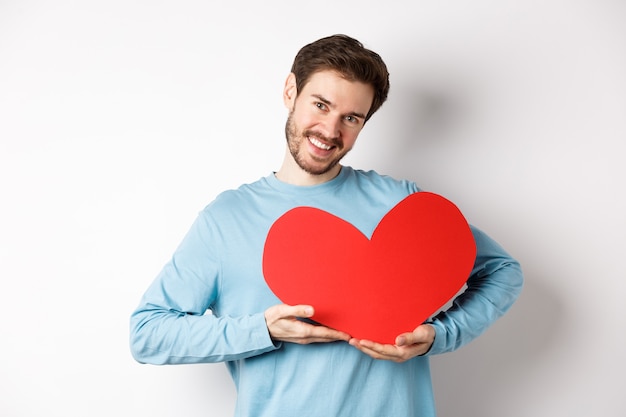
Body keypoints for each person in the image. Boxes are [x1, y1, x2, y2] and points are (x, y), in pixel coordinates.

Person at [130, 34, 523, 416]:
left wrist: (441, 335)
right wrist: (263, 330)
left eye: (350, 118)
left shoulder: (400, 205)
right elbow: (148, 333)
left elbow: (502, 271)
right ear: (290, 92)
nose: (330, 131)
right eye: (320, 105)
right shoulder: (228, 217)